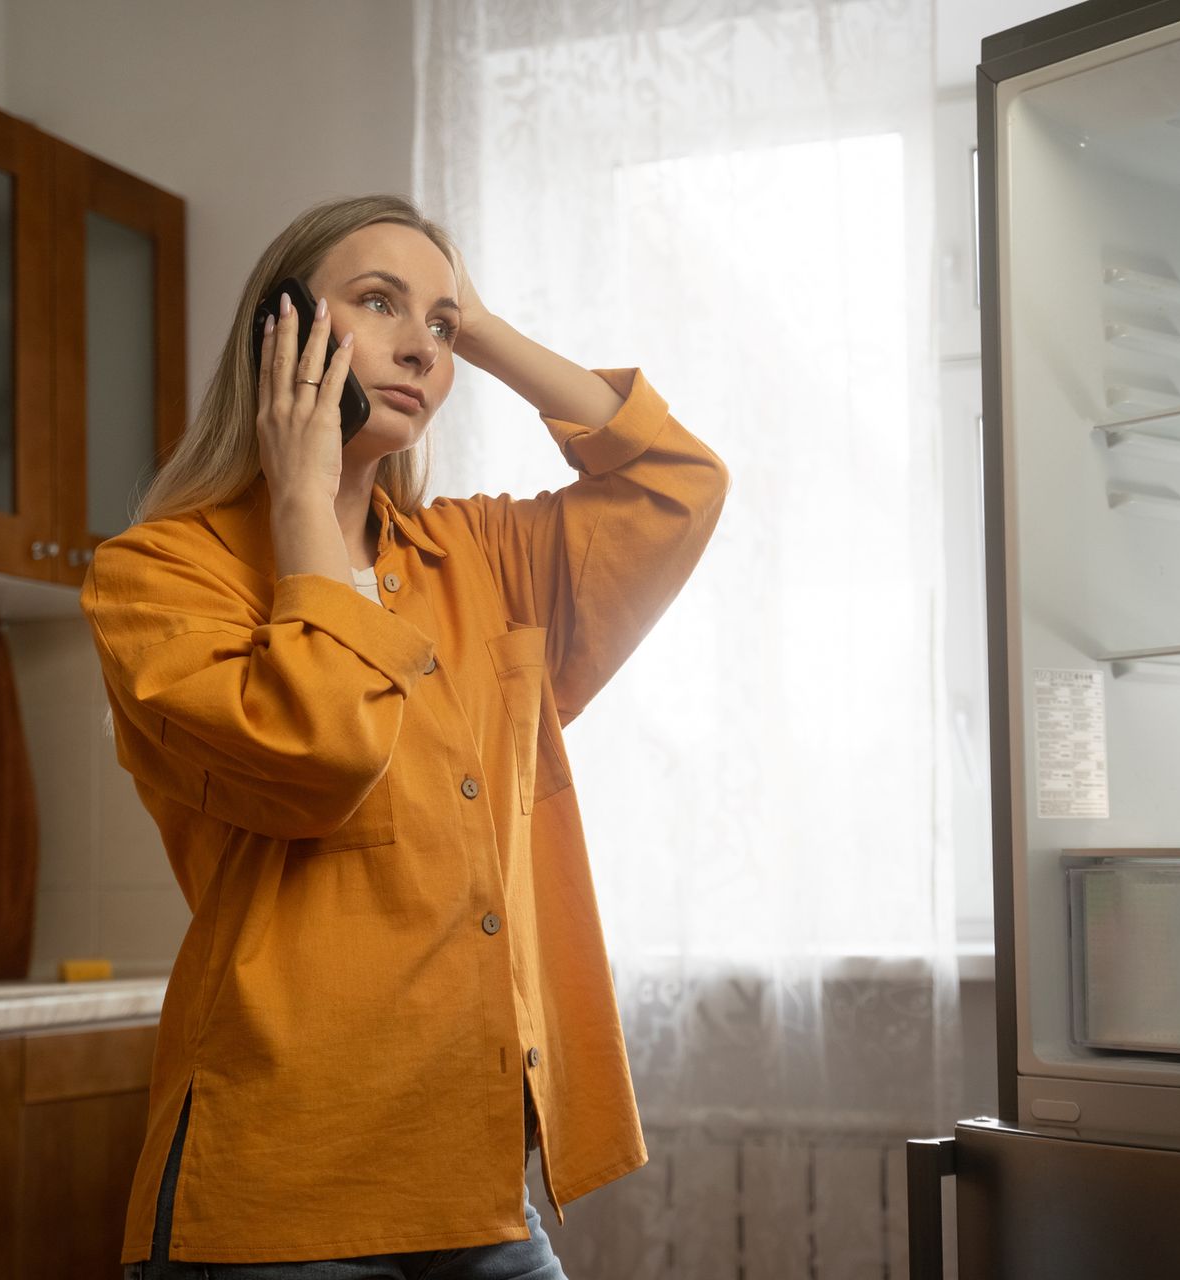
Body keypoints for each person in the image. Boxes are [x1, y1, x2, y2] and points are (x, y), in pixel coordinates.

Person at [82, 194, 729, 1278]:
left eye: (437, 326)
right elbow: (320, 757)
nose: (418, 347)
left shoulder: (472, 556)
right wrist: (301, 506)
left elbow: (677, 483)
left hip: (479, 1178)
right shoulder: (156, 575)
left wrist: (475, 320)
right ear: (278, 334)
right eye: (377, 303)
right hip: (277, 1179)